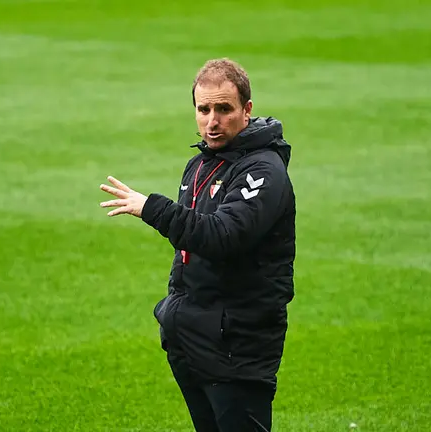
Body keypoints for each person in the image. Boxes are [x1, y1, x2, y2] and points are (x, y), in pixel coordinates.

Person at [99, 58, 296, 432]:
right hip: (193, 338)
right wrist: (173, 312)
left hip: (238, 343)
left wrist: (152, 208)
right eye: (203, 109)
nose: (212, 121)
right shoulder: (200, 166)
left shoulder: (264, 171)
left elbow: (223, 236)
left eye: (224, 109)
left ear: (247, 110)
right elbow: (187, 254)